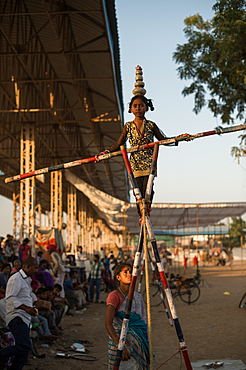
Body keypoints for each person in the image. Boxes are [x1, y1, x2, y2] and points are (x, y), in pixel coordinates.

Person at [96, 66, 166, 216]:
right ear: (131, 109)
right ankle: (141, 215)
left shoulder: (151, 125)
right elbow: (119, 143)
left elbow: (163, 140)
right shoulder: (128, 126)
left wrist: (181, 139)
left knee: (148, 190)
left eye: (141, 105)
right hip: (134, 164)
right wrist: (106, 152)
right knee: (137, 192)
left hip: (149, 162)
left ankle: (147, 211)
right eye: (135, 106)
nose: (138, 108)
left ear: (146, 107)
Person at [105, 263, 150, 369]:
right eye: (125, 272)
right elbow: (108, 324)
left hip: (138, 343)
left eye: (131, 271)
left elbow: (143, 324)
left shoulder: (137, 297)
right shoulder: (114, 296)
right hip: (118, 342)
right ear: (118, 277)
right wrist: (120, 346)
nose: (129, 274)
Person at [0, 257, 39, 370]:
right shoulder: (16, 278)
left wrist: (36, 302)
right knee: (24, 346)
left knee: (23, 352)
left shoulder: (26, 280)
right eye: (35, 268)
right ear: (27, 267)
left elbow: (28, 296)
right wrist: (26, 308)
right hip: (16, 317)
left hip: (25, 319)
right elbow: (10, 298)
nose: (36, 271)